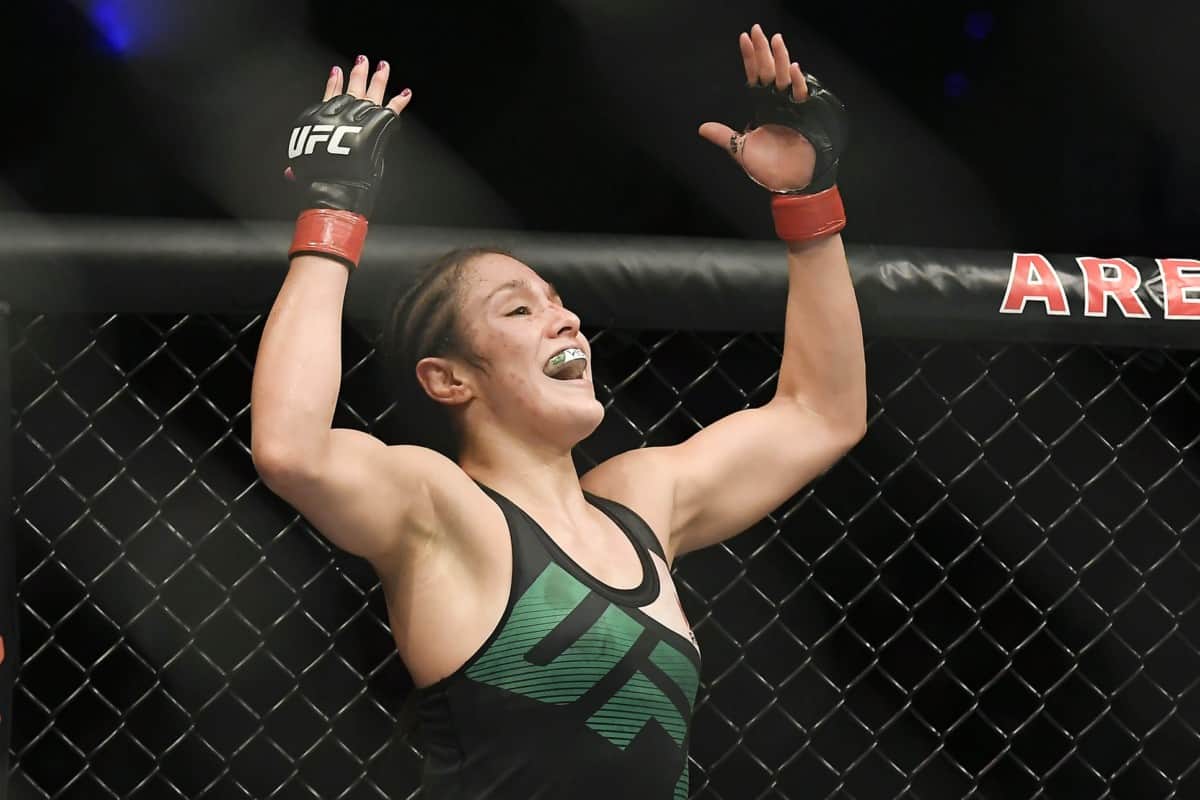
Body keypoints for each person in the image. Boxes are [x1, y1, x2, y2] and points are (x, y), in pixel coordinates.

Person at [251, 24, 866, 799]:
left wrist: (807, 202)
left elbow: (821, 413)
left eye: (559, 302)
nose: (565, 319)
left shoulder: (640, 504)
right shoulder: (443, 511)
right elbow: (290, 448)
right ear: (449, 380)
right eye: (518, 311)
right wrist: (332, 210)